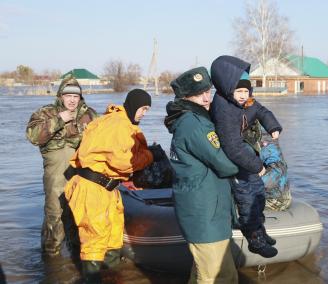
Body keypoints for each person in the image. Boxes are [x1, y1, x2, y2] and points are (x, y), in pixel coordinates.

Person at [64, 89, 154, 282]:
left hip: (108, 187)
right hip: (92, 188)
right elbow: (122, 161)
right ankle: (93, 279)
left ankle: (113, 277)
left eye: (147, 109)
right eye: (142, 108)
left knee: (113, 236)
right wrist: (149, 156)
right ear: (133, 105)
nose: (144, 113)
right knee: (95, 238)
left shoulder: (120, 123)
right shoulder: (117, 124)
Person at [165, 67, 239, 283]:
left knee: (202, 272)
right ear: (186, 96)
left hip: (204, 210)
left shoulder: (189, 119)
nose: (207, 98)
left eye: (208, 91)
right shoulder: (195, 124)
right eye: (199, 94)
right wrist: (248, 157)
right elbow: (225, 164)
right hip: (206, 213)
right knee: (219, 276)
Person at [210, 55, 282, 258]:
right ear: (229, 89)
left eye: (246, 91)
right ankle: (253, 238)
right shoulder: (223, 108)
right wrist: (257, 165)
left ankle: (260, 230)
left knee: (259, 191)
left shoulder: (246, 100)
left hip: (244, 154)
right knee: (246, 196)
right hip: (231, 157)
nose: (243, 95)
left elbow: (262, 111)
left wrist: (273, 126)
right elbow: (231, 146)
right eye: (239, 91)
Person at [26, 74, 97, 257]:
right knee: (54, 215)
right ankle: (51, 260)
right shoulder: (46, 112)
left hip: (82, 175)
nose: (72, 100)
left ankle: (75, 259)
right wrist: (59, 119)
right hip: (55, 175)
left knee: (78, 214)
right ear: (60, 96)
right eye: (68, 96)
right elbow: (33, 136)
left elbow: (103, 140)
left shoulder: (90, 115)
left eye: (76, 96)